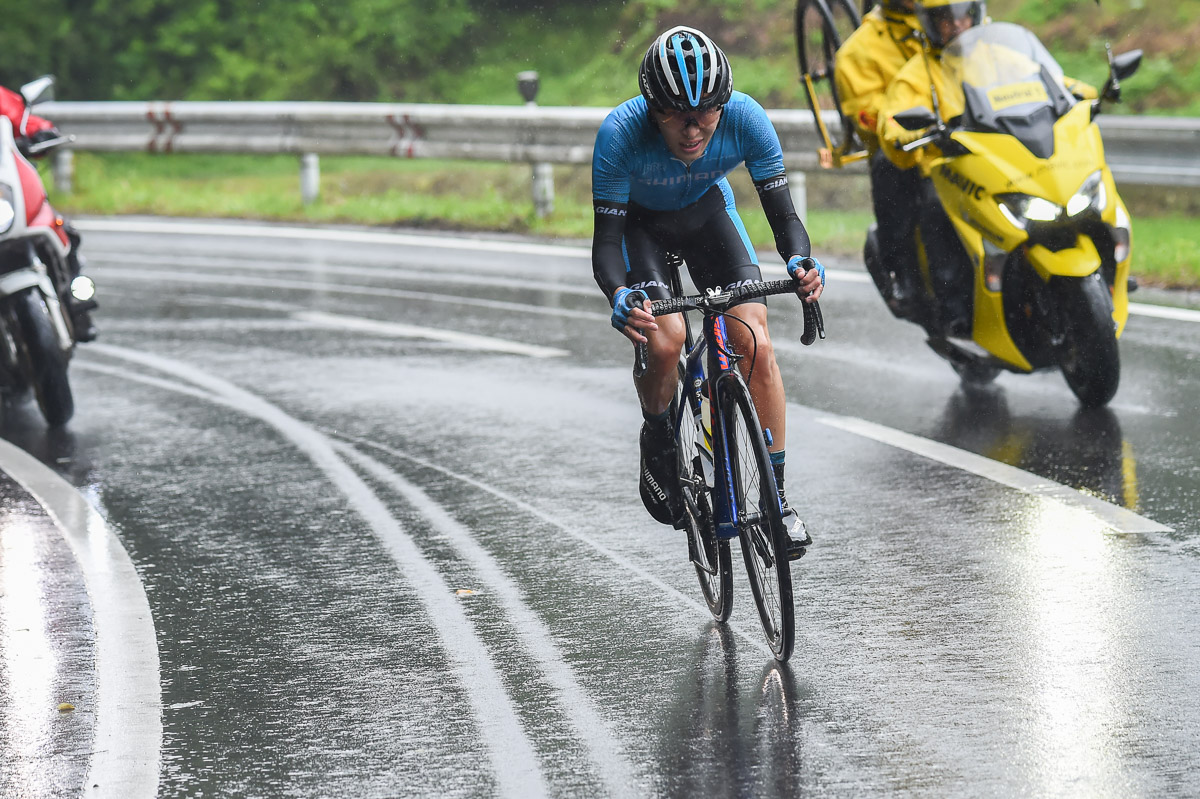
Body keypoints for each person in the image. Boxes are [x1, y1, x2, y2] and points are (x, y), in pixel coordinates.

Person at [591, 25, 825, 559]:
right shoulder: (620, 133)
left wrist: (799, 263)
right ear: (653, 108)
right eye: (677, 113)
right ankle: (658, 433)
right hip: (640, 228)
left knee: (756, 342)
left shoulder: (746, 117)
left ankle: (776, 503)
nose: (694, 128)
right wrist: (619, 296)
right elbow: (606, 245)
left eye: (707, 112)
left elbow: (784, 216)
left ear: (724, 104)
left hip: (707, 216)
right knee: (667, 339)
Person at [876, 0, 1095, 334]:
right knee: (938, 214)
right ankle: (955, 314)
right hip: (950, 167)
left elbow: (1053, 80)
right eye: (944, 19)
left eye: (963, 14)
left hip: (1005, 157)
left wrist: (1080, 95)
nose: (956, 25)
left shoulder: (1000, 55)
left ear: (976, 14)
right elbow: (891, 122)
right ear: (929, 23)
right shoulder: (917, 73)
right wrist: (912, 132)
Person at [833, 0, 925, 315]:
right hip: (906, 145)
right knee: (890, 167)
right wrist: (902, 132)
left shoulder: (949, 20)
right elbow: (868, 116)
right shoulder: (858, 51)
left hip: (965, 130)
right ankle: (901, 272)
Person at [0, 83, 98, 341]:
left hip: (4, 190)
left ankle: (77, 304)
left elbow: (18, 116)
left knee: (60, 229)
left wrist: (41, 130)